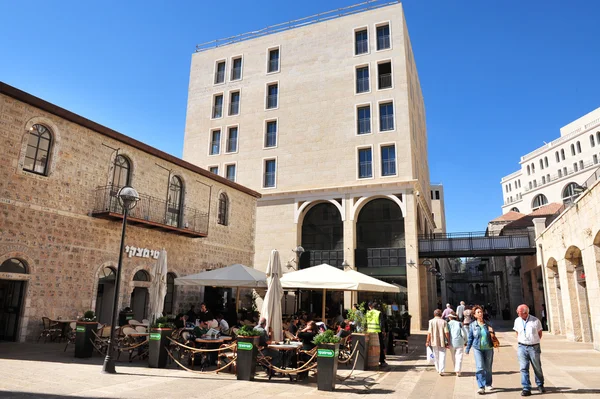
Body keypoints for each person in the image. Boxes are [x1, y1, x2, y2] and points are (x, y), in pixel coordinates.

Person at [514, 304, 545, 396]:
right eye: (517, 312)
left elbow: (540, 333)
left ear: (526, 313)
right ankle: (526, 388)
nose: (518, 314)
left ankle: (540, 384)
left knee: (537, 367)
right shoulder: (517, 321)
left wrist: (533, 341)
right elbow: (517, 332)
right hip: (521, 347)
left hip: (534, 347)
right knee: (523, 368)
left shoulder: (535, 321)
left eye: (519, 313)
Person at [465, 305, 495, 395]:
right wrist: (467, 348)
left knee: (488, 367)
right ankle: (481, 387)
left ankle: (488, 383)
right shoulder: (472, 325)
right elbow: (470, 338)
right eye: (478, 312)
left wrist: (492, 332)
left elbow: (493, 336)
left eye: (481, 312)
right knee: (480, 367)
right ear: (474, 315)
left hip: (488, 348)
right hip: (477, 348)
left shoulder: (488, 323)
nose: (480, 313)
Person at [426, 309, 449, 376]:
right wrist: (448, 341)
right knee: (442, 355)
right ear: (441, 314)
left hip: (434, 340)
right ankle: (441, 370)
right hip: (442, 341)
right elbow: (446, 332)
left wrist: (427, 341)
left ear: (434, 314)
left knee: (436, 355)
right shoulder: (444, 322)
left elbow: (429, 333)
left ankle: (437, 368)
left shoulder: (431, 321)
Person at [366, 301, 387, 367]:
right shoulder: (378, 313)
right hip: (377, 331)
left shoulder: (368, 313)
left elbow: (366, 322)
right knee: (379, 346)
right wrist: (383, 331)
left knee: (371, 347)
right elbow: (381, 323)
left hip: (370, 331)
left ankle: (371, 360)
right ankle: (381, 360)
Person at [447, 312, 466, 376]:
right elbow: (464, 333)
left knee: (453, 356)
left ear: (450, 317)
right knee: (459, 356)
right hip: (459, 341)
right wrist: (465, 340)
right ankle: (458, 370)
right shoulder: (459, 324)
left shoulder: (448, 324)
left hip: (451, 342)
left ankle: (456, 368)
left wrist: (446, 341)